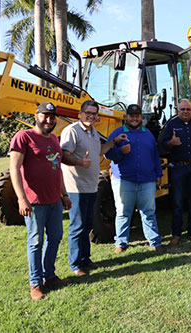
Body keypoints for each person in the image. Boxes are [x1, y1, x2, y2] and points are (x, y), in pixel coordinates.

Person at [9, 102, 72, 301]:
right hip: (34, 202)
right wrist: (22, 198)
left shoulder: (54, 138)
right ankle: (35, 282)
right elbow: (14, 169)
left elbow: (57, 168)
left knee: (55, 238)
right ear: (36, 115)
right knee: (36, 242)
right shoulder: (23, 137)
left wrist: (64, 195)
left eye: (52, 117)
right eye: (45, 115)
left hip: (54, 200)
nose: (49, 120)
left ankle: (50, 276)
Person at [60, 100, 127, 277]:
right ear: (80, 114)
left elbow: (99, 151)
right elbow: (64, 155)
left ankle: (85, 259)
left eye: (93, 113)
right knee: (77, 226)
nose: (90, 116)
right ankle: (76, 265)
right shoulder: (72, 131)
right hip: (76, 187)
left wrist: (113, 141)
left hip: (91, 187)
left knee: (88, 224)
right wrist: (80, 162)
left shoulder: (93, 132)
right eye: (87, 113)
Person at [105, 104, 165, 253]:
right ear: (126, 117)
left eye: (137, 115)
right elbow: (107, 154)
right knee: (123, 212)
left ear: (140, 117)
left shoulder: (148, 134)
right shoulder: (118, 133)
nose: (134, 118)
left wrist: (158, 174)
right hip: (124, 180)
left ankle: (155, 241)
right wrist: (120, 151)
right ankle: (121, 242)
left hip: (147, 179)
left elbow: (155, 156)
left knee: (149, 211)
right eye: (131, 115)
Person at [159, 99, 191, 246]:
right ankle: (176, 234)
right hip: (178, 169)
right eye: (183, 110)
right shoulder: (171, 125)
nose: (186, 112)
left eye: (188, 109)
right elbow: (162, 144)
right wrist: (171, 143)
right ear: (178, 111)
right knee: (177, 202)